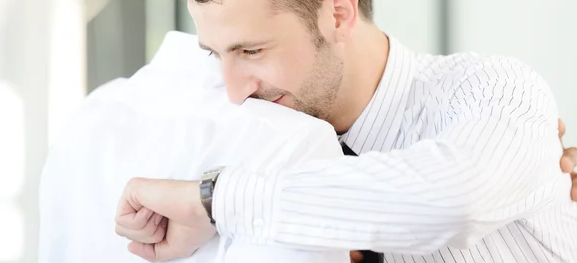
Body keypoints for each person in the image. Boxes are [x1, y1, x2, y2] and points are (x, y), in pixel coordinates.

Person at [114, 0, 577, 263]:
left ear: (338, 13)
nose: (234, 90)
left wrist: (217, 204)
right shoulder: (249, 136)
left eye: (252, 51)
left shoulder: (495, 91)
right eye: (217, 54)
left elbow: (453, 202)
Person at [38, 31, 350, 263]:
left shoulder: (91, 113)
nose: (235, 91)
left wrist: (211, 201)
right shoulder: (297, 140)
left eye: (253, 51)